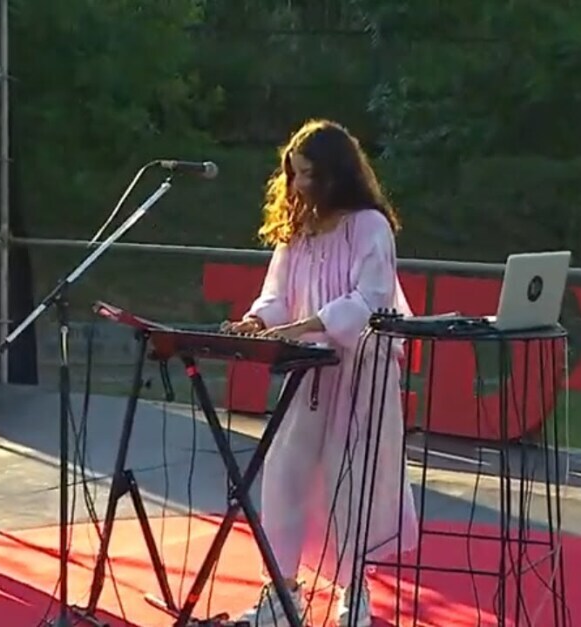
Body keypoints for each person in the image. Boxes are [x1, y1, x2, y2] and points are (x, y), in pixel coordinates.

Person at [224, 119, 419, 627]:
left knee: (348, 481)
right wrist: (257, 321)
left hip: (360, 374)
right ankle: (282, 590)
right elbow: (276, 293)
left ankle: (355, 591)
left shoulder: (370, 226)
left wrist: (306, 325)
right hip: (307, 374)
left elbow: (370, 298)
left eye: (309, 173)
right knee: (284, 476)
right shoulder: (299, 229)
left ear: (336, 173)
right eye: (294, 173)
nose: (299, 184)